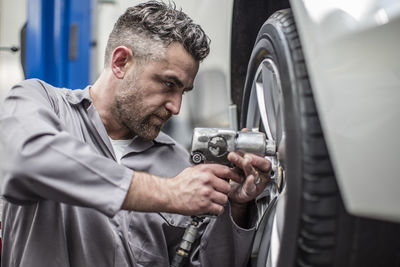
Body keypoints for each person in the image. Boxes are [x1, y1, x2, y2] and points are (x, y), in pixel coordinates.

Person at [0, 1, 271, 266]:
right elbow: (26, 161)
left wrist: (235, 206)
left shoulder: (179, 165)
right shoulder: (41, 103)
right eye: (168, 84)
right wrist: (167, 193)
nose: (175, 107)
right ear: (120, 62)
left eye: (183, 92)